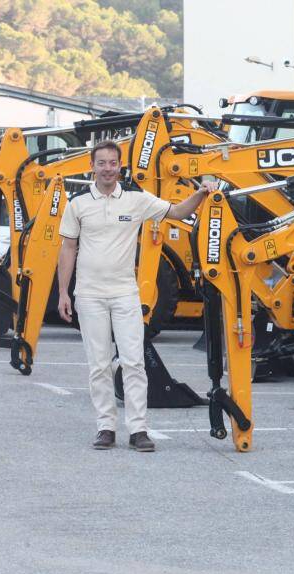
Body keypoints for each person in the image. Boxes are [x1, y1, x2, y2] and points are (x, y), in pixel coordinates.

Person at [57, 140, 217, 452]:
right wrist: (63, 292)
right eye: (101, 163)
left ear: (120, 166)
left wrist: (201, 192)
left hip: (124, 294)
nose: (107, 168)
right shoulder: (77, 204)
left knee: (133, 362)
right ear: (92, 166)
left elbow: (177, 211)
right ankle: (105, 427)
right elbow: (68, 248)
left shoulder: (135, 199)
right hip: (88, 294)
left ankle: (138, 430)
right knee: (99, 364)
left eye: (112, 163)